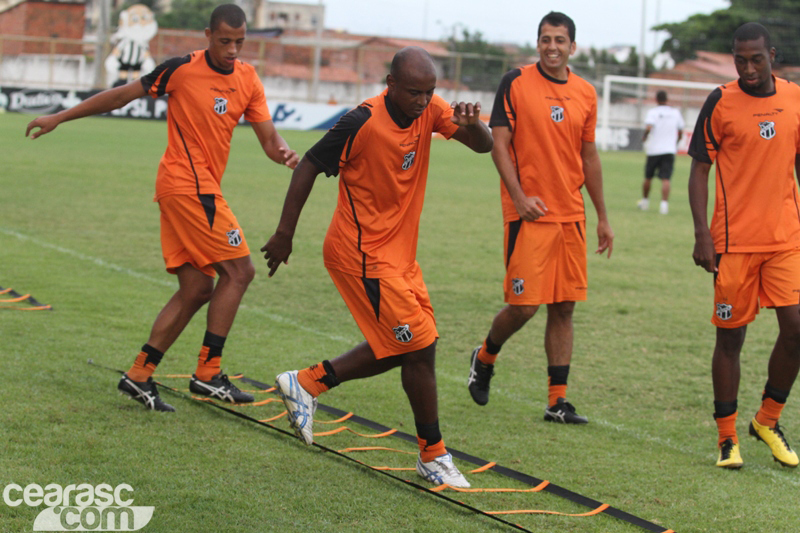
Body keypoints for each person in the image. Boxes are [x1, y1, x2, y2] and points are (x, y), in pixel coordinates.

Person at [26, 4, 299, 412]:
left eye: (239, 42)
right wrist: (60, 117)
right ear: (208, 35)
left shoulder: (248, 78)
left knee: (197, 288)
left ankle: (139, 374)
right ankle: (208, 374)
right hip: (187, 186)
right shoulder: (181, 69)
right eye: (225, 41)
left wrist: (285, 153)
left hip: (193, 190)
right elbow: (121, 96)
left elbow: (270, 139)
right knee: (240, 271)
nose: (232, 50)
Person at [262, 46, 493, 488]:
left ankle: (306, 383)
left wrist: (473, 124)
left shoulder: (432, 109)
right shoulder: (361, 122)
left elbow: (484, 146)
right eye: (414, 92)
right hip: (360, 254)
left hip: (399, 257)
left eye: (429, 92)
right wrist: (284, 233)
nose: (423, 101)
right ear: (390, 84)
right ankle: (433, 454)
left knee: (411, 346)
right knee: (417, 345)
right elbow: (308, 165)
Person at [466, 12, 614, 424]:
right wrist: (519, 197)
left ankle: (557, 401)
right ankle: (485, 357)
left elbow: (589, 156)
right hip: (528, 215)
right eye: (546, 39)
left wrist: (602, 216)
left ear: (573, 47)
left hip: (571, 216)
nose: (553, 46)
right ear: (538, 43)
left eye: (560, 40)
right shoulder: (515, 82)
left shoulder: (586, 92)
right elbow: (499, 144)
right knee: (525, 306)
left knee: (564, 308)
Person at [688, 22, 800, 469]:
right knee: (731, 338)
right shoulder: (720, 101)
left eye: (756, 59)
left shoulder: (795, 98)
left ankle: (767, 420)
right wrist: (702, 234)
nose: (748, 68)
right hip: (734, 243)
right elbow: (699, 169)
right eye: (740, 60)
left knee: (797, 327)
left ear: (771, 55)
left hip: (786, 238)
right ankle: (727, 437)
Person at [637, 90, 684, 215]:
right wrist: (676, 142)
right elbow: (680, 131)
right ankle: (664, 206)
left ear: (656, 99)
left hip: (654, 150)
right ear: (667, 99)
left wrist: (644, 136)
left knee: (648, 177)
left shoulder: (653, 112)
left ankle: (645, 202)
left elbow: (649, 127)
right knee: (666, 178)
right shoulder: (675, 112)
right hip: (669, 150)